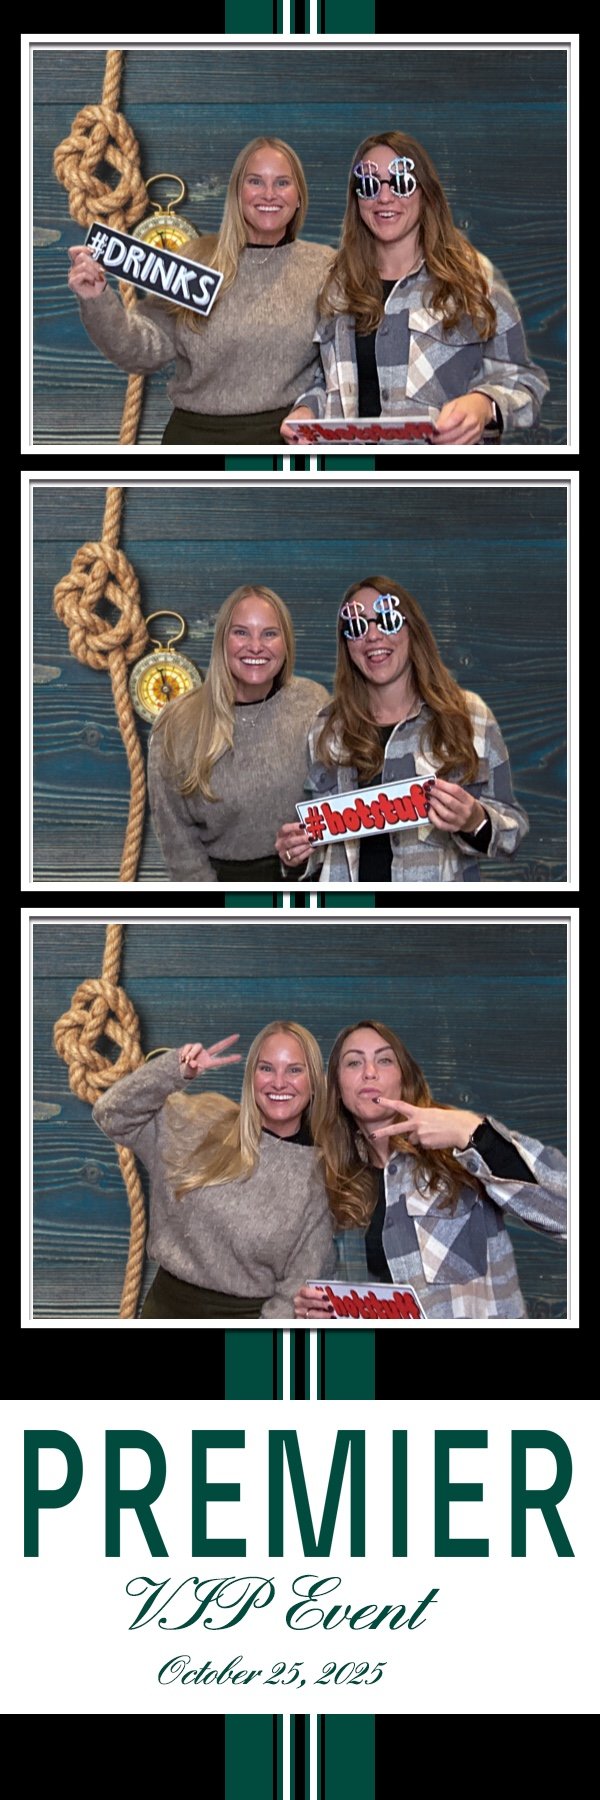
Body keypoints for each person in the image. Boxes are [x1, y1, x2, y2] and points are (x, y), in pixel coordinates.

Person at [281, 131, 549, 444]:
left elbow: (525, 383)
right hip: (354, 470)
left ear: (425, 192)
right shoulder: (337, 284)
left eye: (401, 183)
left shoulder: (474, 278)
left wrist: (483, 405)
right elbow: (326, 381)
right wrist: (307, 411)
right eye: (369, 186)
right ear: (357, 200)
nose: (384, 198)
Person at [67, 137, 334, 444]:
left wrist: (311, 408)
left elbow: (340, 365)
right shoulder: (195, 259)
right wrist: (97, 300)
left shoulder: (324, 267)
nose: (269, 194)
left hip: (284, 440)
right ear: (237, 193)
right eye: (255, 181)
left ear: (299, 196)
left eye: (282, 182)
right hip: (195, 440)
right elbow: (141, 349)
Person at [294, 1021, 567, 1321]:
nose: (369, 1072)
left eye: (384, 1060)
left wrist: (472, 1133)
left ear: (405, 1077)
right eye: (354, 1062)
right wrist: (323, 1311)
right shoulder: (335, 1179)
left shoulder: (460, 1147)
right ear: (337, 1087)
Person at [275, 575, 528, 883]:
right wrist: (297, 855)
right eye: (357, 627)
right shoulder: (325, 728)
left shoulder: (469, 716)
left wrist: (474, 820)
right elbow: (318, 849)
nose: (372, 636)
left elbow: (511, 834)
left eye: (387, 621)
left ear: (412, 629)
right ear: (347, 645)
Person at [92, 1022, 334, 1319]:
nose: (279, 1082)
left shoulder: (316, 1177)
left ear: (314, 1081)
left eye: (294, 1070)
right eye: (266, 1068)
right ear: (251, 1076)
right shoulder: (199, 1122)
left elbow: (297, 1290)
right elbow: (111, 1115)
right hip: (164, 1311)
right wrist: (173, 1072)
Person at [148, 584, 329, 883]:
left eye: (269, 634)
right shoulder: (177, 723)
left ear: (286, 642)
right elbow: (176, 835)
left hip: (308, 879)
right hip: (223, 885)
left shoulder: (313, 702)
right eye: (241, 633)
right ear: (222, 639)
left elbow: (335, 797)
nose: (256, 646)